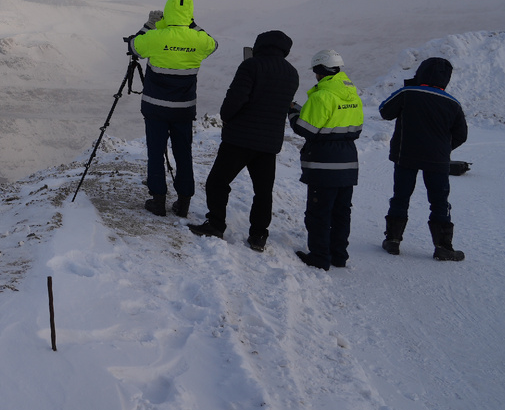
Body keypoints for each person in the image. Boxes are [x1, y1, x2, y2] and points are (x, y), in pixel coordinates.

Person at [188, 30, 299, 251]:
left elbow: (235, 99)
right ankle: (258, 235)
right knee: (263, 191)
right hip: (268, 143)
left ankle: (216, 224)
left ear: (260, 45)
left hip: (239, 138)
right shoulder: (292, 73)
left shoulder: (251, 66)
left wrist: (226, 117)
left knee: (218, 182)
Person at [128, 0, 218, 217]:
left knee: (156, 153)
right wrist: (192, 25)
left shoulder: (157, 36)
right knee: (183, 153)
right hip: (184, 110)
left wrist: (150, 25)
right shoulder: (198, 40)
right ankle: (184, 201)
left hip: (155, 108)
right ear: (189, 13)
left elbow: (134, 47)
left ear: (168, 9)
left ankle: (158, 200)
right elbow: (213, 44)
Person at [379, 57, 468, 261]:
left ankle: (393, 241)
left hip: (405, 156)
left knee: (400, 196)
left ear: (421, 72)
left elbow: (384, 111)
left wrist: (409, 88)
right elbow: (461, 135)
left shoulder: (408, 93)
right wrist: (444, 149)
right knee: (439, 201)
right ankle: (443, 247)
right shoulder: (453, 103)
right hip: (437, 160)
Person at [288, 49, 363, 270]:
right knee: (342, 212)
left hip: (324, 165)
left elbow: (306, 129)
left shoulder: (322, 96)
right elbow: (349, 127)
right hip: (348, 162)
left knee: (319, 213)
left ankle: (320, 257)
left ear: (320, 71)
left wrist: (292, 113)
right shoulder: (352, 95)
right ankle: (339, 255)